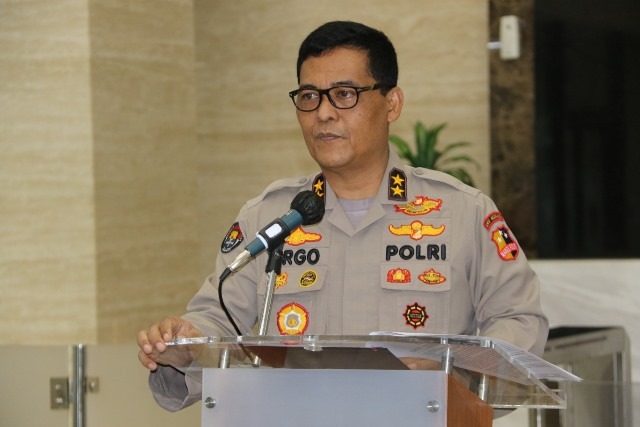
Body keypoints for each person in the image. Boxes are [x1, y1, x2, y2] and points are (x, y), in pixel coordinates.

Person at [137, 20, 548, 412]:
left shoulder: (462, 212)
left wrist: (452, 377)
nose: (324, 113)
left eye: (344, 94)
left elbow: (519, 321)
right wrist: (186, 342)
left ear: (391, 103)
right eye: (309, 96)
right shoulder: (269, 217)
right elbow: (217, 318)